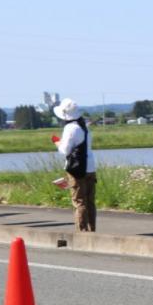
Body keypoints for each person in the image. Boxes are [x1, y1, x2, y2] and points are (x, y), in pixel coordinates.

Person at [50, 98, 98, 232]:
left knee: (79, 202)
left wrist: (56, 142)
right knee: (89, 202)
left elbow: (65, 150)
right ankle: (91, 230)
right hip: (90, 167)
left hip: (77, 170)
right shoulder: (84, 127)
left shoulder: (70, 128)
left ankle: (81, 232)